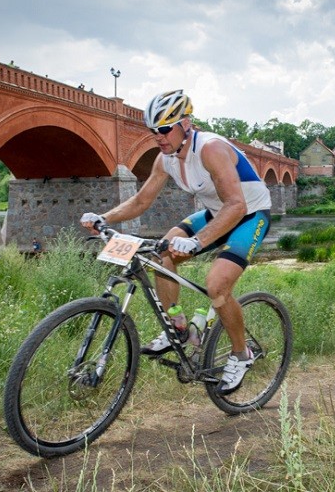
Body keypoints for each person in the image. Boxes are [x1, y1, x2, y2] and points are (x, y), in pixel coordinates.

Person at [81, 89, 272, 395]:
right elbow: (142, 200)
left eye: (166, 129)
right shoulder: (166, 159)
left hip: (249, 215)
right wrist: (103, 218)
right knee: (161, 256)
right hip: (214, 213)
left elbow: (235, 205)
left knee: (217, 285)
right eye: (154, 131)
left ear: (186, 123)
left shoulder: (210, 149)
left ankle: (241, 354)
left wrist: (196, 242)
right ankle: (179, 328)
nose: (159, 136)